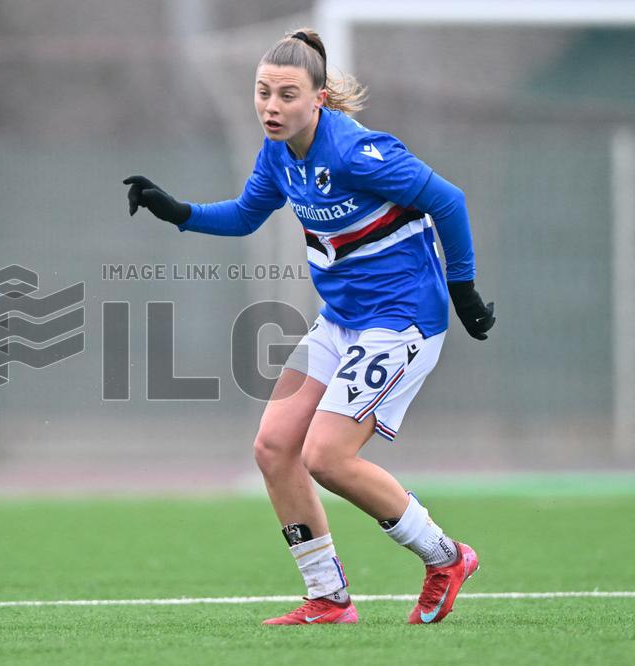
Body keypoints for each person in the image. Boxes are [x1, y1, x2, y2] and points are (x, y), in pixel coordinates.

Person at [123, 27, 495, 626]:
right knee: (273, 447)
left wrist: (464, 290)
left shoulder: (356, 152)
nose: (271, 106)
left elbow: (448, 201)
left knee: (325, 455)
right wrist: (179, 212)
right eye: (263, 92)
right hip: (340, 323)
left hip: (400, 324)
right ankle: (328, 597)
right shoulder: (278, 153)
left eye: (287, 94)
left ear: (318, 98)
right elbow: (247, 215)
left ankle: (446, 557)